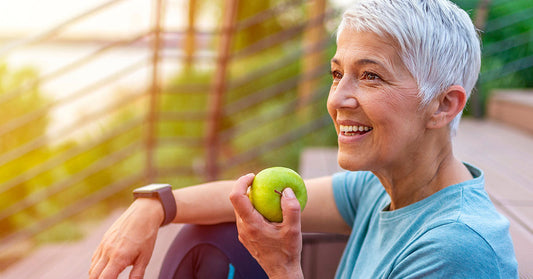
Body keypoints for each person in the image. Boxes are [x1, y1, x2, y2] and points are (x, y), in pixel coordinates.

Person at [89, 0, 519, 278]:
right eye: (337, 74)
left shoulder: (457, 249)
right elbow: (246, 196)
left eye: (370, 76)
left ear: (444, 105)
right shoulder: (383, 187)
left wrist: (283, 267)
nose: (338, 98)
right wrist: (153, 206)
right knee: (211, 239)